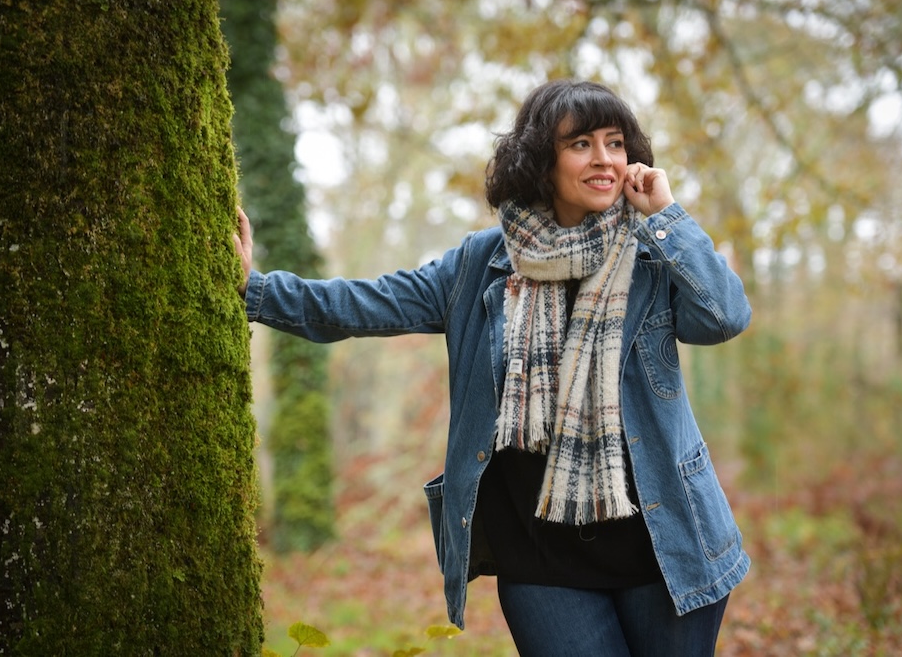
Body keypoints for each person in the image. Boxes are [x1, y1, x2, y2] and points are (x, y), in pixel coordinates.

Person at [233, 79, 752, 656]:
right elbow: (363, 304)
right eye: (581, 143)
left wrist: (668, 215)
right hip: (540, 557)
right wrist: (253, 290)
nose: (605, 158)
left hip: (667, 547)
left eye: (616, 142)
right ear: (541, 161)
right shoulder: (481, 264)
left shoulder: (655, 253)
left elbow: (724, 317)